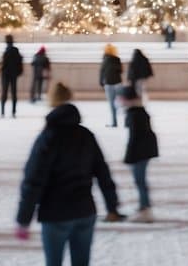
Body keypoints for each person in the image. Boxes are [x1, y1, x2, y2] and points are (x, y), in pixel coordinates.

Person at [15, 82, 123, 266]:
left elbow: (33, 180)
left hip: (55, 213)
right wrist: (112, 206)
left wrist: (23, 219)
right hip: (84, 211)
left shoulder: (48, 138)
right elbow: (103, 173)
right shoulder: (86, 135)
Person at [119, 85, 158, 223]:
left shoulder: (134, 114)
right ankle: (144, 205)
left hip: (140, 153)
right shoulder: (139, 111)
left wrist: (129, 156)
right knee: (140, 180)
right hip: (144, 151)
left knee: (140, 180)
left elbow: (134, 138)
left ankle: (145, 208)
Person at [0, 35, 24, 118]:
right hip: (13, 74)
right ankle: (13, 112)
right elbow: (19, 62)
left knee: (4, 93)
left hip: (6, 74)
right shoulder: (16, 50)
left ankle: (2, 112)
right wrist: (19, 71)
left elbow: (4, 63)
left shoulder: (6, 51)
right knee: (14, 93)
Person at [99, 44, 124, 128]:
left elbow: (102, 72)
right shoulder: (117, 59)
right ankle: (126, 122)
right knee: (121, 102)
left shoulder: (104, 60)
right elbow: (120, 71)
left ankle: (114, 122)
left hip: (108, 84)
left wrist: (101, 83)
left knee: (112, 104)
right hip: (117, 82)